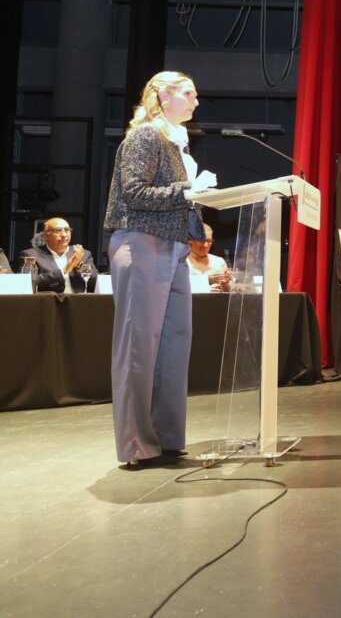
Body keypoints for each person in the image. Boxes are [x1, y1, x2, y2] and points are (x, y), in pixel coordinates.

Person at [103, 71, 217, 468]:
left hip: (174, 248)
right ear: (163, 96)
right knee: (138, 347)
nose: (196, 101)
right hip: (141, 242)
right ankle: (137, 445)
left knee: (173, 344)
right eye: (189, 93)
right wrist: (189, 190)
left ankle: (166, 438)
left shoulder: (176, 142)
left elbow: (174, 199)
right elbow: (134, 192)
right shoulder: (146, 136)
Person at [18, 217, 95, 293]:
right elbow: (28, 284)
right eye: (58, 231)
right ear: (46, 236)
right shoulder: (30, 255)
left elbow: (95, 284)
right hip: (48, 300)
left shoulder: (83, 254)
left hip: (78, 300)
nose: (64, 235)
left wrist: (79, 265)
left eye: (67, 230)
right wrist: (64, 270)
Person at [185, 223, 230, 292]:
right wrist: (206, 280)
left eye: (209, 241)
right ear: (190, 240)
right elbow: (176, 286)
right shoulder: (181, 260)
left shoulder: (219, 261)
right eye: (201, 241)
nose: (206, 245)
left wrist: (224, 284)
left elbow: (227, 292)